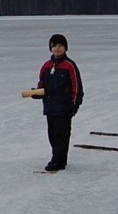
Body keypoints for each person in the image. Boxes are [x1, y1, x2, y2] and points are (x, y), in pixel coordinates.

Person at [33, 34, 83, 172]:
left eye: (60, 46)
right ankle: (58, 159)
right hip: (50, 107)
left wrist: (74, 105)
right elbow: (42, 84)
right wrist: (37, 93)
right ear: (50, 48)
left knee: (62, 135)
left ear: (66, 48)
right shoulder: (46, 66)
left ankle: (57, 161)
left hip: (64, 108)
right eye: (54, 46)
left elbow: (76, 87)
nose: (57, 49)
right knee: (52, 135)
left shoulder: (69, 66)